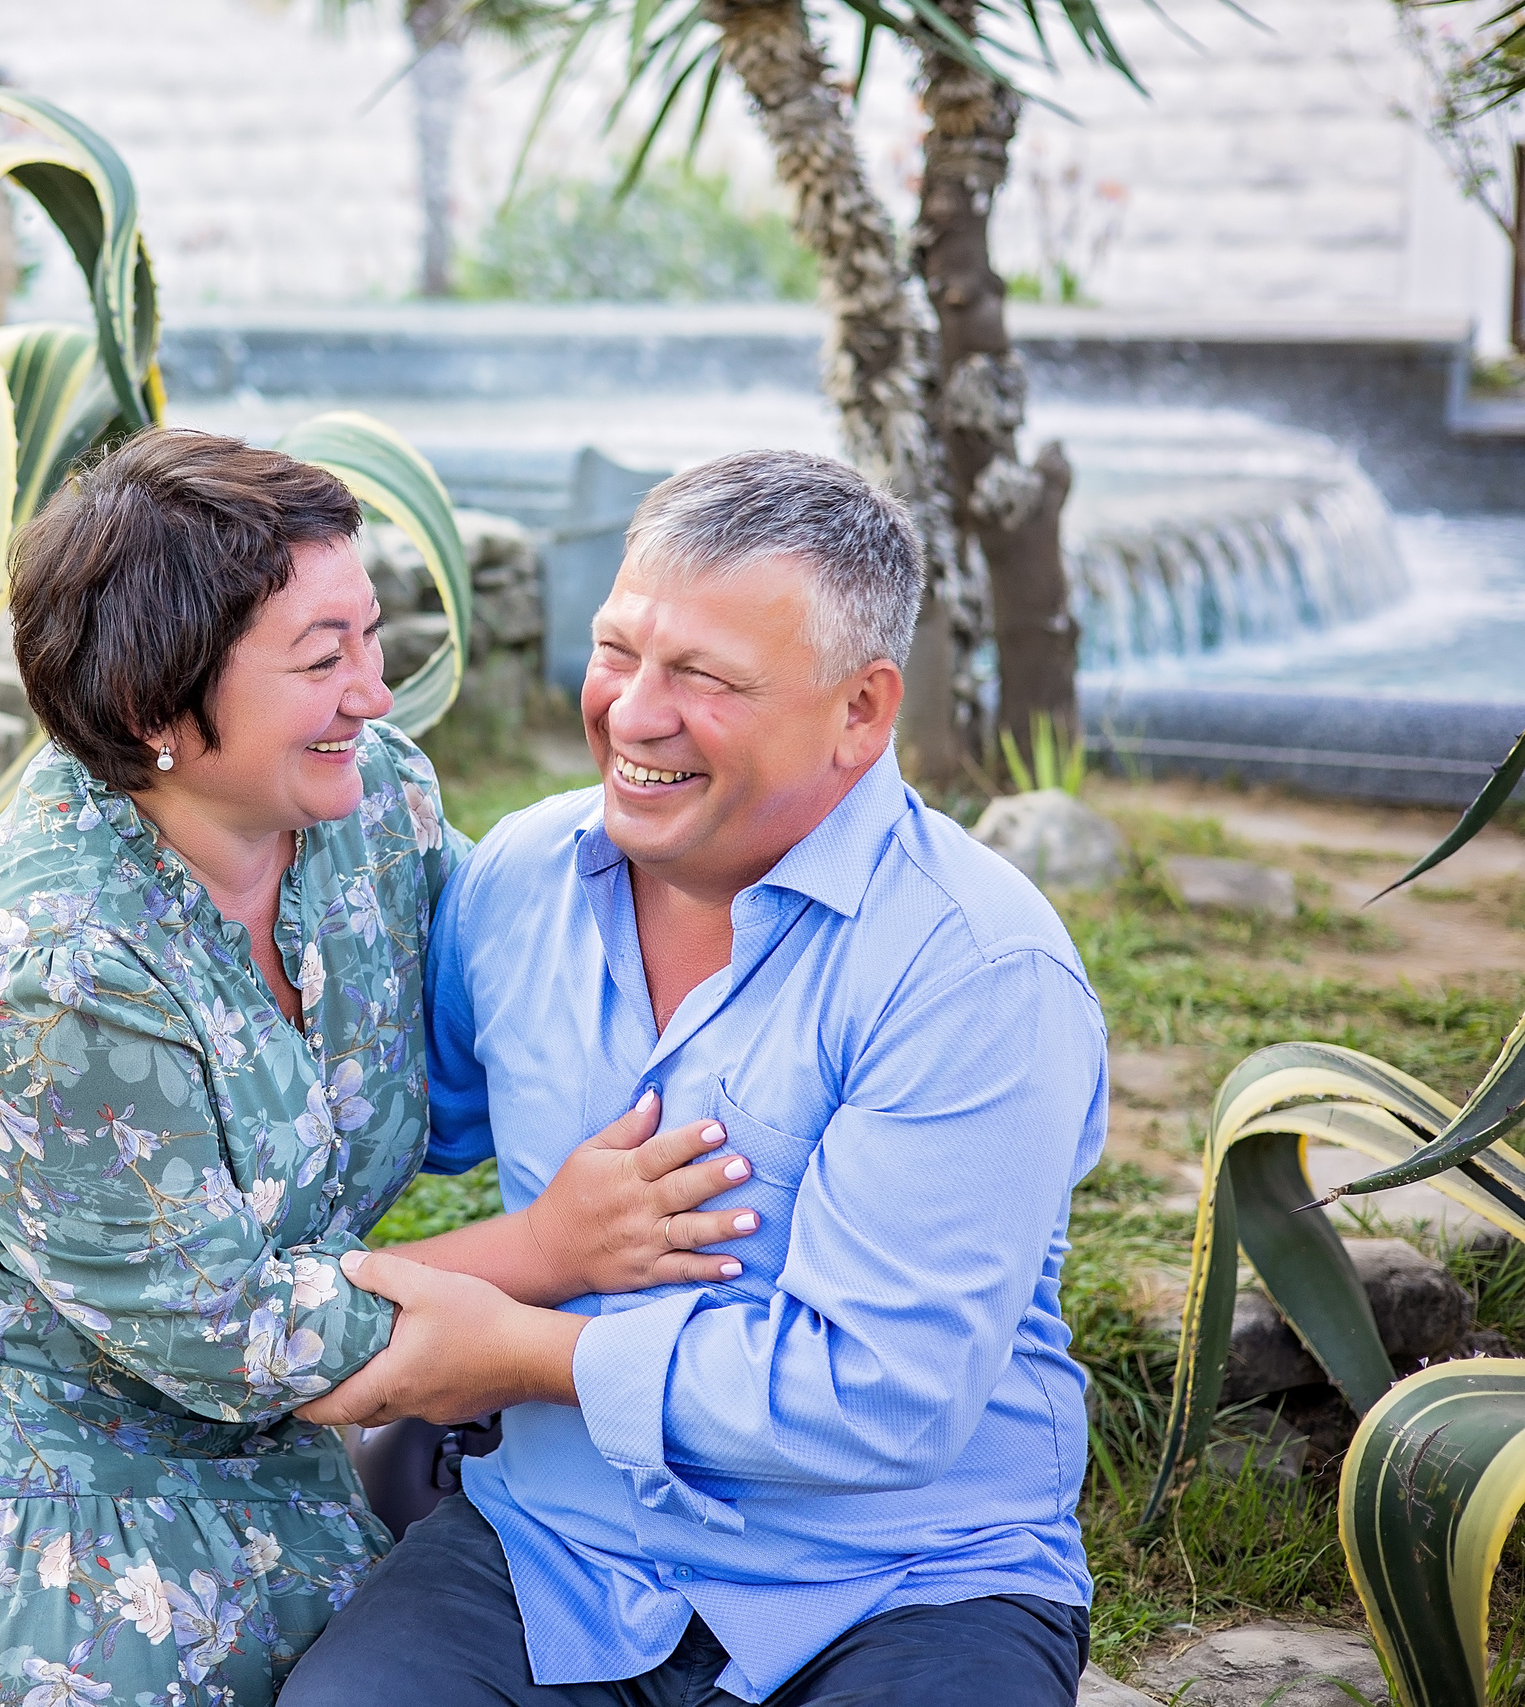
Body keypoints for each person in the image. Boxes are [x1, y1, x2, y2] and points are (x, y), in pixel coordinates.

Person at [0, 429, 758, 1707]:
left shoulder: (373, 805)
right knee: (164, 1660)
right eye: (323, 660)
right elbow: (242, 1342)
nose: (373, 693)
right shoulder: (56, 970)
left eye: (371, 637)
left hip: (217, 1329)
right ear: (155, 708)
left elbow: (523, 1016)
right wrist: (550, 1253)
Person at [282, 450, 1109, 1707]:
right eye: (619, 652)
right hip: (552, 1549)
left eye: (705, 678)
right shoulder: (515, 882)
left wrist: (527, 1354)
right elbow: (381, 1136)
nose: (630, 713)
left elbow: (883, 1402)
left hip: (896, 1583)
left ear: (860, 713)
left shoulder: (975, 970)